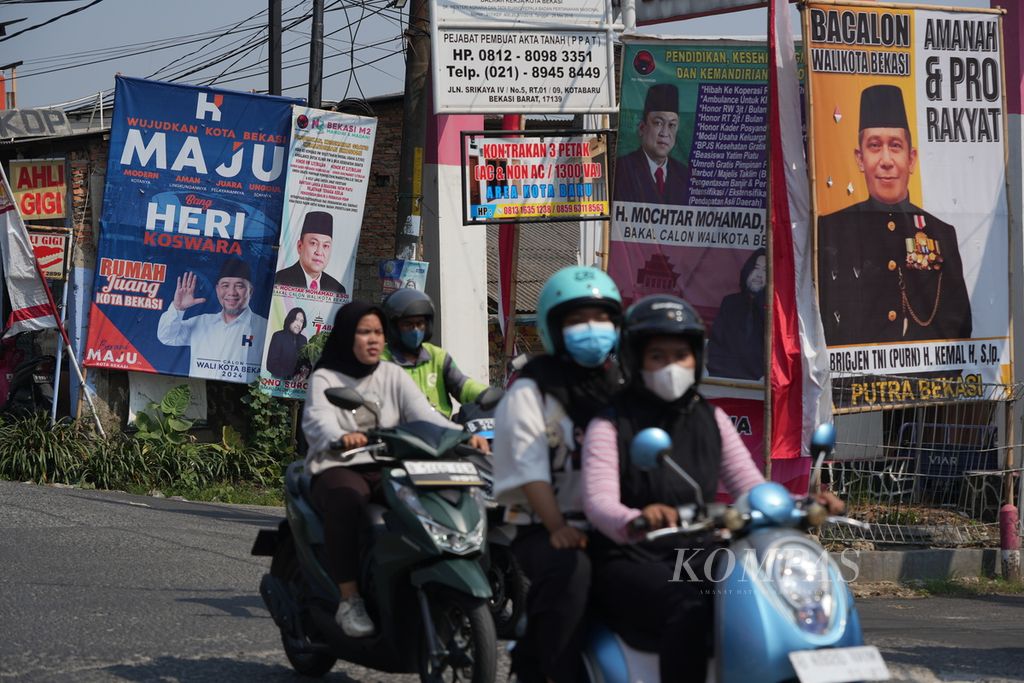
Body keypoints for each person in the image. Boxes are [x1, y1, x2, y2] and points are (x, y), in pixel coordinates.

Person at [581, 294, 844, 683]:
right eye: (658, 356)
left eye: (681, 354)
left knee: (776, 597)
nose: (671, 365)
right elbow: (598, 501)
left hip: (698, 551)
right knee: (689, 606)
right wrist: (636, 518)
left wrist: (803, 504)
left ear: (696, 360)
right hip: (633, 557)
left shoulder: (711, 418)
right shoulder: (610, 423)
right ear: (636, 360)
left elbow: (750, 487)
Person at [302, 301, 489, 638]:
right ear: (347, 336)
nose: (373, 340)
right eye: (364, 332)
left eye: (377, 332)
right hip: (340, 465)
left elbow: (424, 414)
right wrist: (342, 438)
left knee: (430, 500)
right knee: (348, 500)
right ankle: (349, 598)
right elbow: (318, 421)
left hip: (391, 464)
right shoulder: (326, 377)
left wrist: (462, 436)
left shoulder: (391, 374)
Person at [491, 265, 623, 683]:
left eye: (601, 318)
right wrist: (557, 526)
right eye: (577, 320)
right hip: (541, 526)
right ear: (553, 327)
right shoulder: (531, 389)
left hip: (615, 522)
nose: (592, 328)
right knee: (572, 572)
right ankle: (547, 669)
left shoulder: (624, 385)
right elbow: (530, 469)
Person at [817, 84, 971, 345]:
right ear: (859, 158)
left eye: (896, 146)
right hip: (852, 383)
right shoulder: (830, 229)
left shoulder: (941, 233)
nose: (886, 160)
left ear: (911, 159)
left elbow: (960, 324)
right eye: (875, 145)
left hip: (920, 381)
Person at [380, 288, 488, 418]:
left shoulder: (437, 356)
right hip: (399, 432)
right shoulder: (382, 361)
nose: (415, 330)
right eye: (407, 324)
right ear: (393, 327)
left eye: (420, 324)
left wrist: (486, 394)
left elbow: (462, 385)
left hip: (441, 431)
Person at [157, 258, 267, 381]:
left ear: (250, 291)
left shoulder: (265, 328)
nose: (231, 292)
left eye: (239, 286)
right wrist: (177, 309)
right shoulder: (202, 322)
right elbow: (167, 337)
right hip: (201, 392)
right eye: (225, 285)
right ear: (217, 289)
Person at [614, 83, 689, 205]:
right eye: (658, 123)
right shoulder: (622, 169)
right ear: (642, 128)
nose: (665, 133)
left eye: (671, 125)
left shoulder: (684, 175)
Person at [706, 248, 766, 381]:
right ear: (748, 270)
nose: (759, 275)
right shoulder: (730, 303)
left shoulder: (773, 309)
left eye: (765, 271)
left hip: (760, 384)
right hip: (725, 379)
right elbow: (715, 345)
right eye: (756, 268)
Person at [275, 210, 346, 294]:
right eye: (313, 243)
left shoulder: (337, 289)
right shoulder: (280, 280)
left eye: (325, 246)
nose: (319, 252)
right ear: (300, 246)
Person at [265, 307, 308, 379]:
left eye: (301, 321)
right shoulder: (278, 336)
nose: (299, 324)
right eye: (296, 320)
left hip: (297, 384)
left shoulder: (303, 339)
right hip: (278, 382)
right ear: (290, 319)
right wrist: (289, 376)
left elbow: (305, 362)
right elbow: (271, 365)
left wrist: (305, 371)